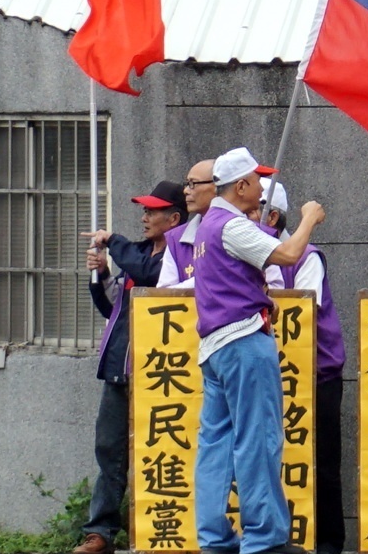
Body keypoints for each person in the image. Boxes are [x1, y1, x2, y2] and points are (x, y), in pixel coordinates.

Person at [193, 146, 325, 554]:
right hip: (244, 341)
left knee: (215, 442)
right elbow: (287, 253)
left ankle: (214, 538)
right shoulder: (231, 225)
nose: (263, 188)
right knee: (258, 437)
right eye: (257, 180)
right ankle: (264, 538)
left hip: (214, 347)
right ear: (243, 185)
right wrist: (308, 219)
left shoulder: (207, 225)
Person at [76, 180, 187, 554]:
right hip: (121, 365)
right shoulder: (135, 254)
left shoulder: (179, 255)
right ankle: (100, 531)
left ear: (174, 218)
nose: (145, 217)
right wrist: (103, 276)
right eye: (144, 210)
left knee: (162, 451)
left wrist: (113, 241)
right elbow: (115, 310)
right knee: (109, 449)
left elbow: (150, 275)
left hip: (163, 374)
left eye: (153, 211)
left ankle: (164, 530)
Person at [251, 178, 347, 554]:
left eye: (251, 212)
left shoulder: (308, 256)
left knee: (322, 461)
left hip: (315, 374)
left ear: (272, 217)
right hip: (267, 373)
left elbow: (305, 304)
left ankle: (327, 542)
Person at [158, 158, 216, 287]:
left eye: (193, 184)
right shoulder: (176, 239)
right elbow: (164, 295)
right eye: (187, 184)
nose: (186, 190)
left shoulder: (247, 230)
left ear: (218, 186)